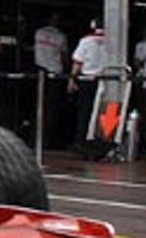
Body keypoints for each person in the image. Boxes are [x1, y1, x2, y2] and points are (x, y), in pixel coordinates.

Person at [69, 19, 109, 149]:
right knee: (102, 112)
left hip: (86, 80)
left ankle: (81, 141)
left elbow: (77, 62)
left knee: (84, 112)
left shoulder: (85, 41)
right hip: (105, 82)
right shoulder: (111, 41)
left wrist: (71, 79)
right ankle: (99, 140)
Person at [34, 17, 69, 147]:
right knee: (52, 107)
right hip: (55, 73)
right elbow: (65, 56)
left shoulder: (38, 32)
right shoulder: (61, 37)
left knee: (39, 105)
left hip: (40, 71)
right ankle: (50, 139)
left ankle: (37, 137)